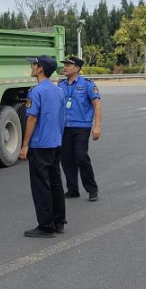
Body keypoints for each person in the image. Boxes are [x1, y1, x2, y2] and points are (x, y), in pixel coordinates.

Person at [18, 55, 66, 238]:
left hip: (40, 143)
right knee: (55, 183)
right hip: (55, 141)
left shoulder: (36, 92)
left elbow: (32, 118)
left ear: (41, 69)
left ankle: (46, 226)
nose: (32, 67)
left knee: (41, 185)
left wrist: (24, 145)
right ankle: (59, 221)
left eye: (34, 64)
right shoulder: (58, 91)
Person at [59, 56, 102, 201]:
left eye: (68, 65)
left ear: (77, 68)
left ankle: (92, 189)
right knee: (66, 159)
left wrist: (97, 126)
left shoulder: (87, 84)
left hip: (81, 127)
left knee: (81, 156)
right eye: (64, 65)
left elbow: (97, 105)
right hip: (65, 127)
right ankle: (72, 190)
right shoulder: (60, 85)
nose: (65, 67)